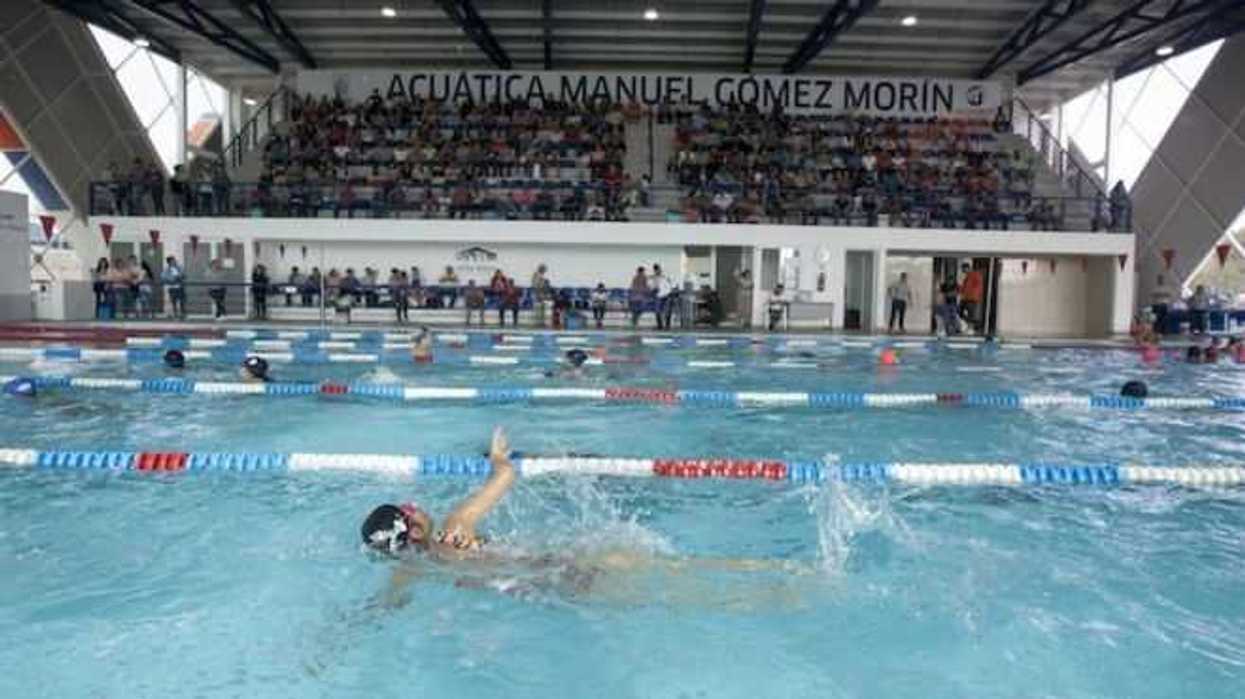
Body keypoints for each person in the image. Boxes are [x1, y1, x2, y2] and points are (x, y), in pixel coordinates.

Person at [362, 427, 516, 557]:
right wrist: (497, 457)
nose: (415, 505)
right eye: (409, 508)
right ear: (416, 532)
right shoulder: (454, 528)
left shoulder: (413, 566)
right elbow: (506, 474)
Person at [651, 263, 678, 330]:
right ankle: (660, 326)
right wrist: (654, 289)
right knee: (657, 310)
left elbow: (673, 284)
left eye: (658, 269)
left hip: (667, 295)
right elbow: (654, 287)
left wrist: (672, 291)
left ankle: (667, 326)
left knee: (667, 311)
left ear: (660, 269)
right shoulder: (655, 278)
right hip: (659, 295)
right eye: (655, 270)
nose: (657, 271)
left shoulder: (666, 275)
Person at [958, 263, 984, 334]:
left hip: (972, 299)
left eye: (963, 269)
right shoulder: (967, 277)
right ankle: (970, 326)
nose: (962, 271)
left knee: (971, 314)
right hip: (966, 298)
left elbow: (977, 287)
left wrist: (973, 296)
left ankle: (971, 327)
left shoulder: (975, 275)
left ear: (967, 268)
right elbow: (964, 288)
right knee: (960, 312)